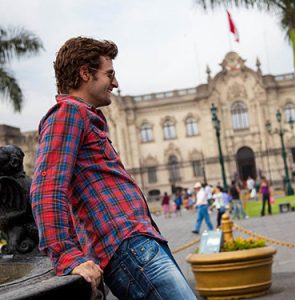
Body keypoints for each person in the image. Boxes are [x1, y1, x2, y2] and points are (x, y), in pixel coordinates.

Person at [30, 37, 196, 300]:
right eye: (109, 74)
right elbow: (46, 189)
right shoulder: (67, 113)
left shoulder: (84, 116)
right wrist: (68, 256)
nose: (115, 83)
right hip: (129, 246)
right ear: (85, 73)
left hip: (138, 244)